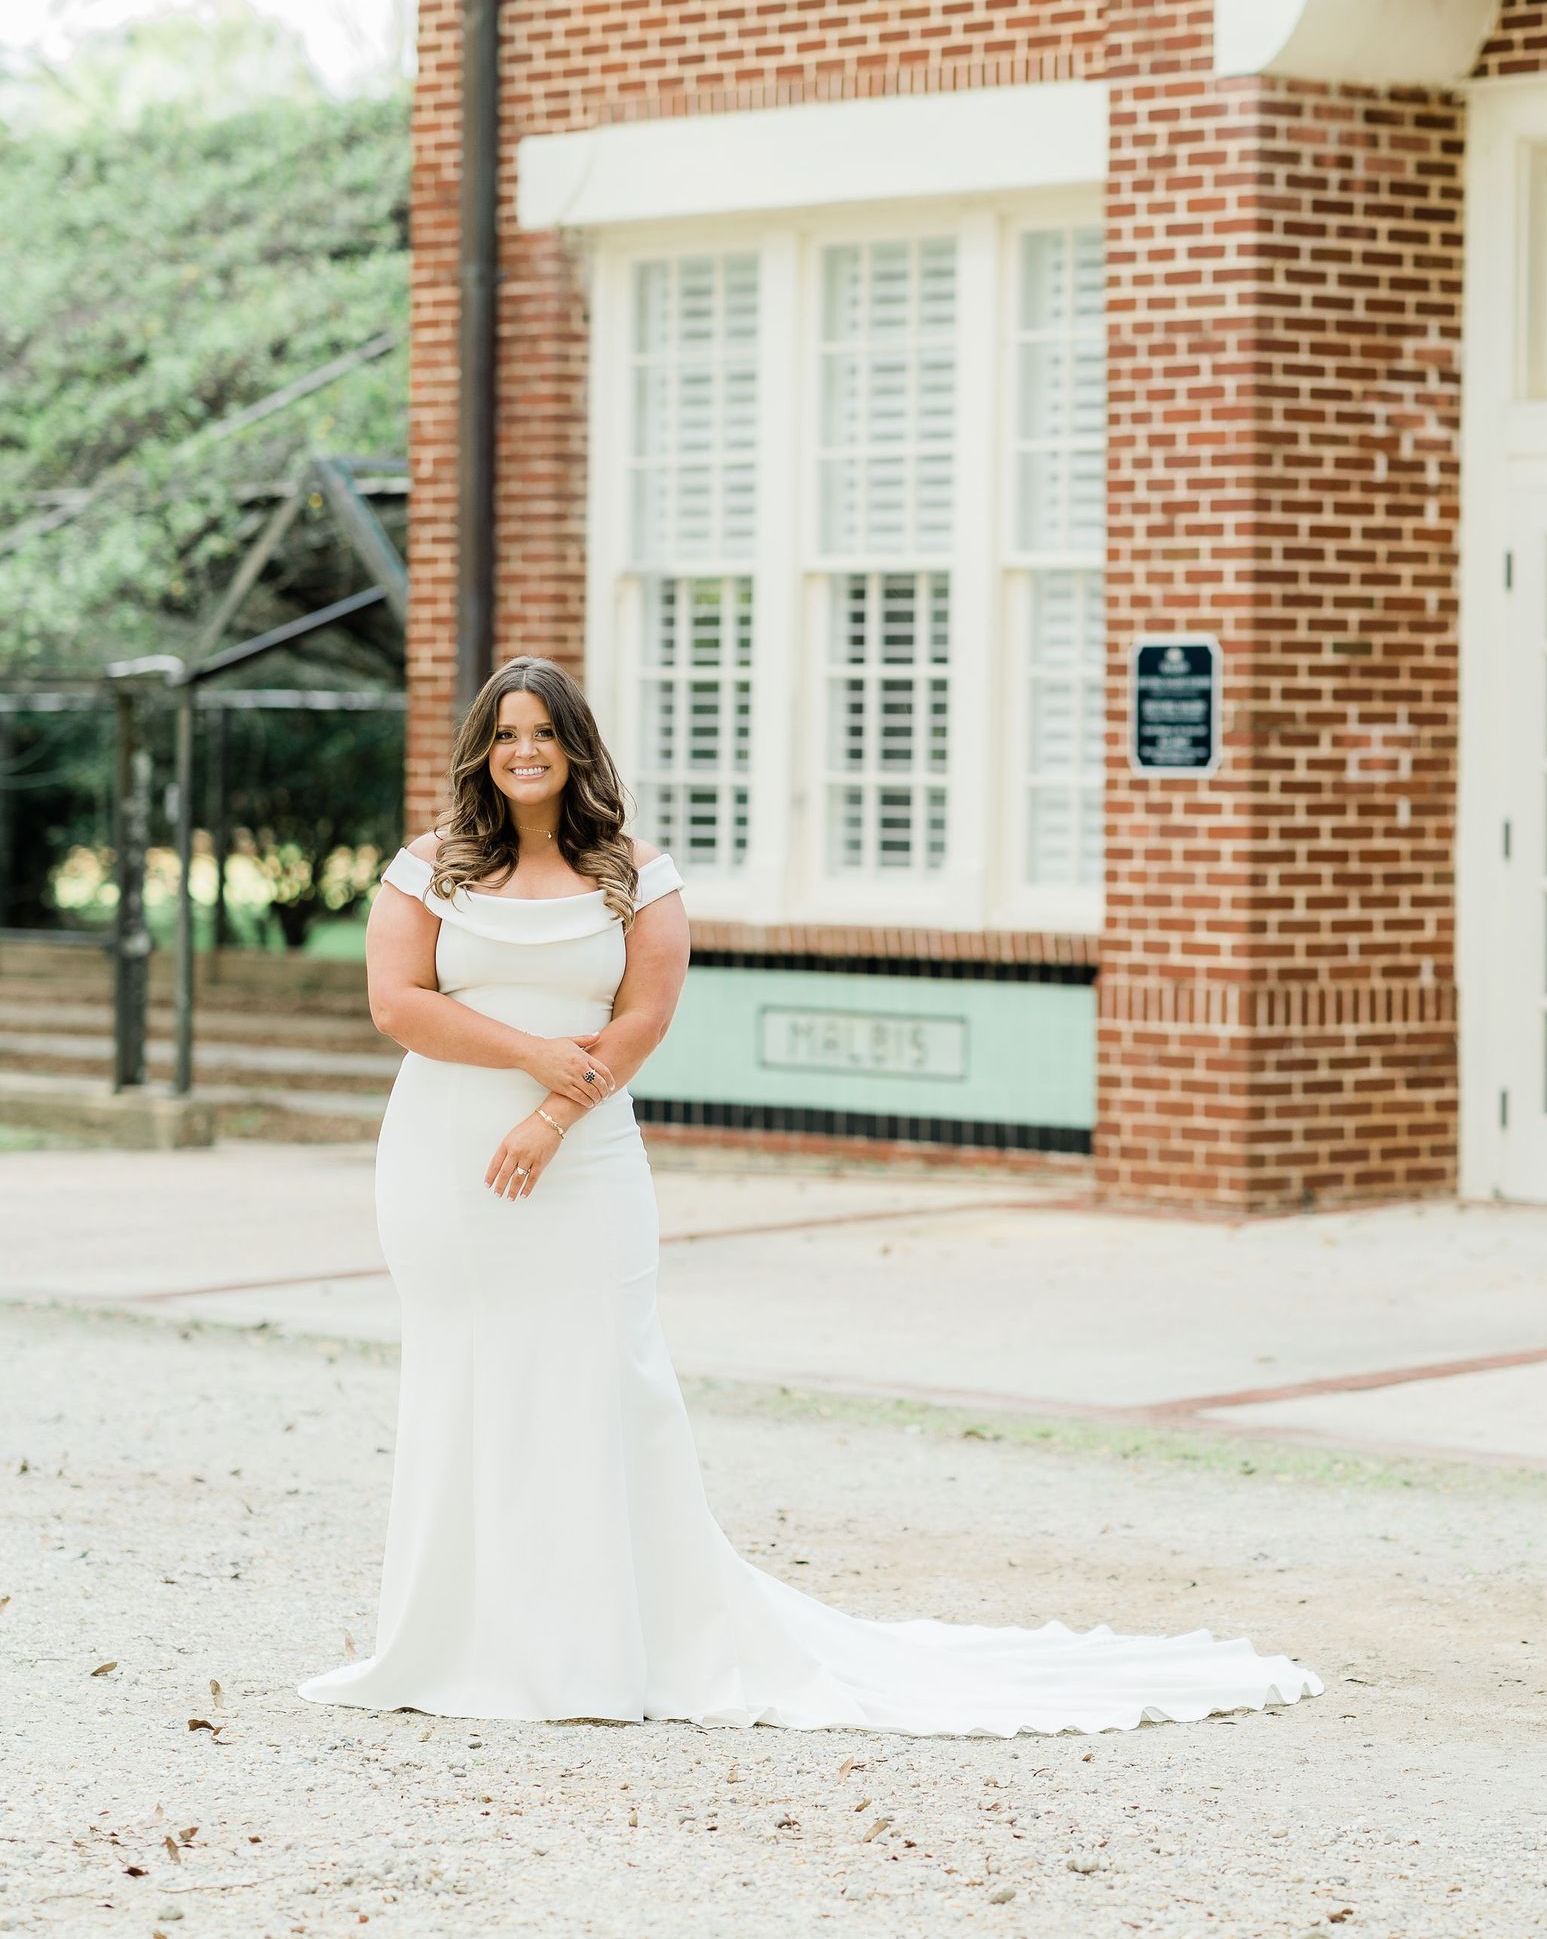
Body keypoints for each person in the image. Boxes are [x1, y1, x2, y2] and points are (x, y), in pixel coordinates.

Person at [299, 654, 1321, 1733]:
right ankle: (459, 1640)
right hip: (446, 1166)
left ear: (575, 747)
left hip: (585, 1161)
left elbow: (643, 1018)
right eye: (504, 734)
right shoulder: (430, 868)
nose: (523, 751)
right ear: (481, 748)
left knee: (596, 1383)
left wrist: (555, 1106)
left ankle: (591, 1649)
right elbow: (395, 1003)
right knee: (466, 1381)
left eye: (542, 733)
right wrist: (533, 1053)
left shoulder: (638, 873)